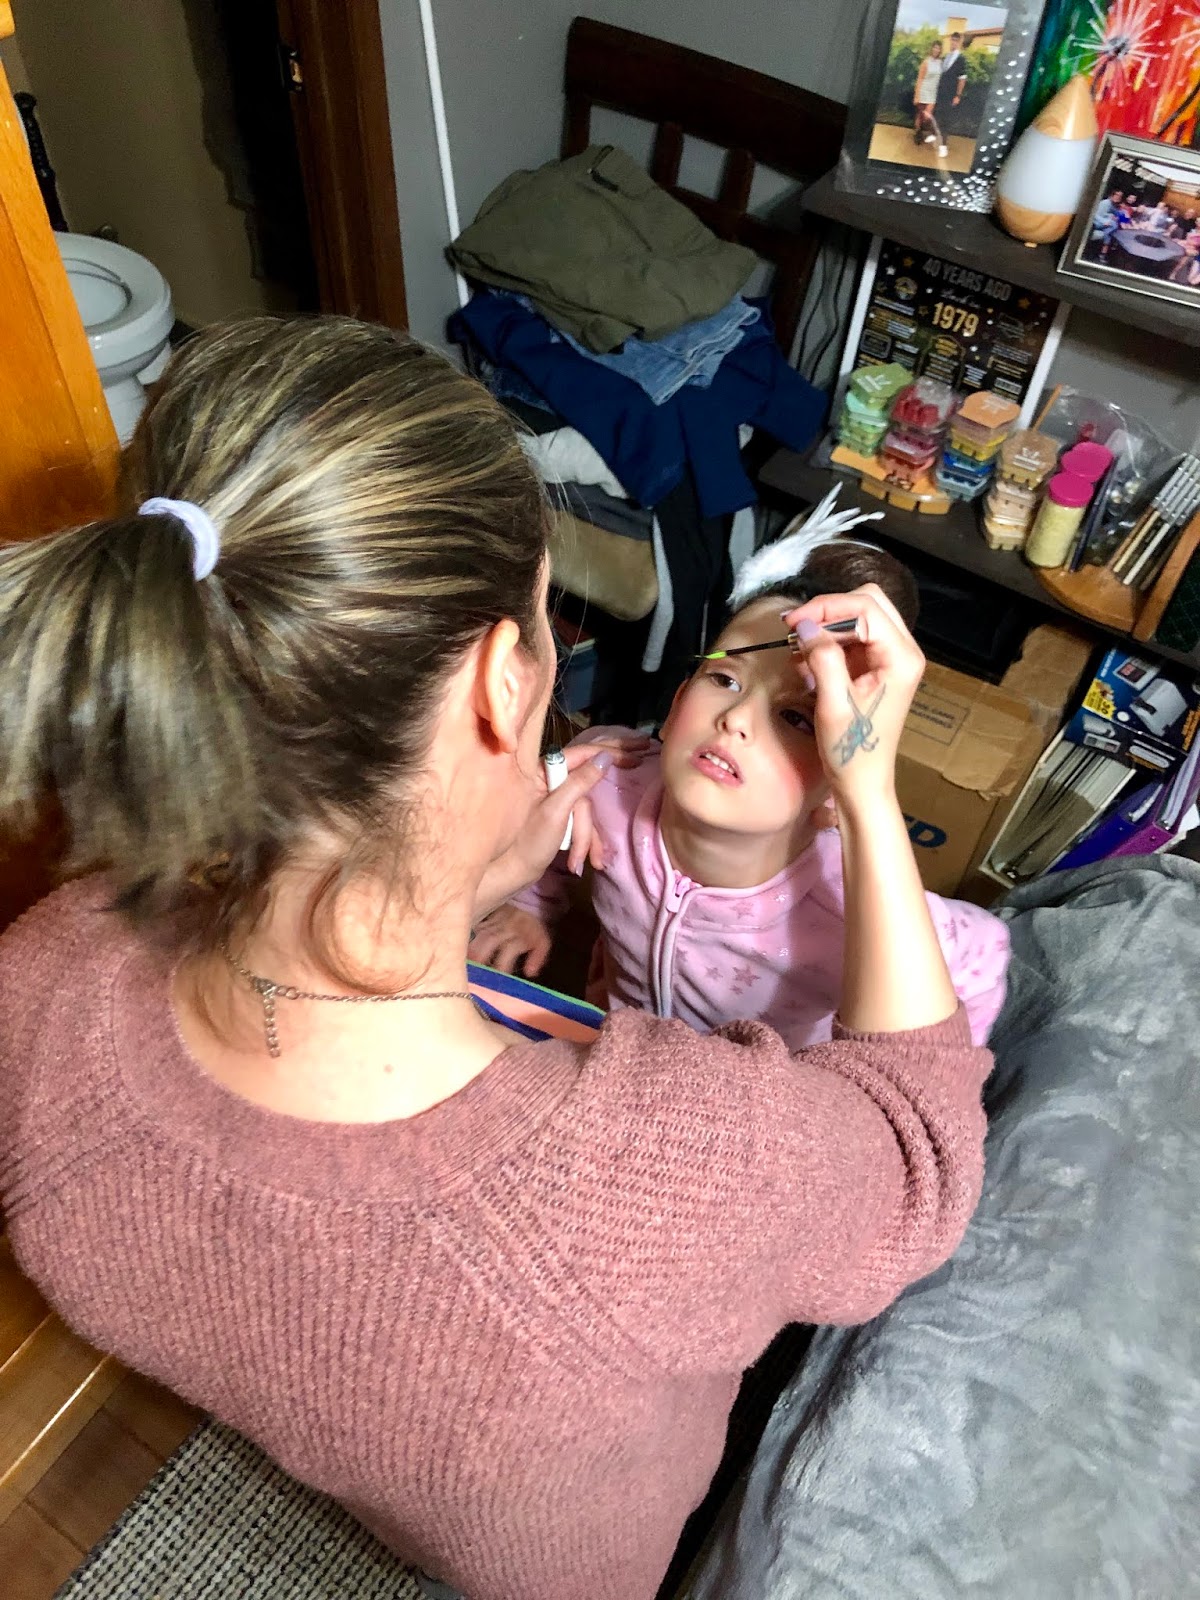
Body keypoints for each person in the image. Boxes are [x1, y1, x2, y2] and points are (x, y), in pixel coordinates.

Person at [0, 317, 990, 1600]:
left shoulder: (40, 975)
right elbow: (915, 1160)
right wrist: (870, 792)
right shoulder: (675, 1178)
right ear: (499, 683)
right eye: (547, 617)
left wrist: (467, 874)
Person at [473, 541, 1009, 1048]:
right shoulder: (607, 778)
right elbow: (556, 820)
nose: (736, 718)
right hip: (617, 1049)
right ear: (677, 703)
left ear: (837, 793)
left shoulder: (850, 902)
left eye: (796, 718)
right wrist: (530, 904)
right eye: (726, 680)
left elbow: (982, 958)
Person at [934, 30, 968, 156]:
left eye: (956, 41)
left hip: (950, 94)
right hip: (940, 92)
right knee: (937, 115)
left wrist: (958, 95)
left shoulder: (961, 59)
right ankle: (936, 137)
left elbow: (962, 79)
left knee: (946, 119)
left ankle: (943, 146)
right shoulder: (946, 57)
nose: (953, 43)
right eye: (952, 40)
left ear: (959, 42)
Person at [913, 39, 946, 157]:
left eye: (938, 48)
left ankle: (924, 131)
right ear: (932, 48)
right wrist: (917, 95)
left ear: (940, 50)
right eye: (935, 47)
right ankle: (918, 133)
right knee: (920, 115)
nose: (936, 50)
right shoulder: (926, 62)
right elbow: (920, 79)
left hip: (933, 93)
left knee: (927, 116)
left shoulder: (941, 63)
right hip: (923, 91)